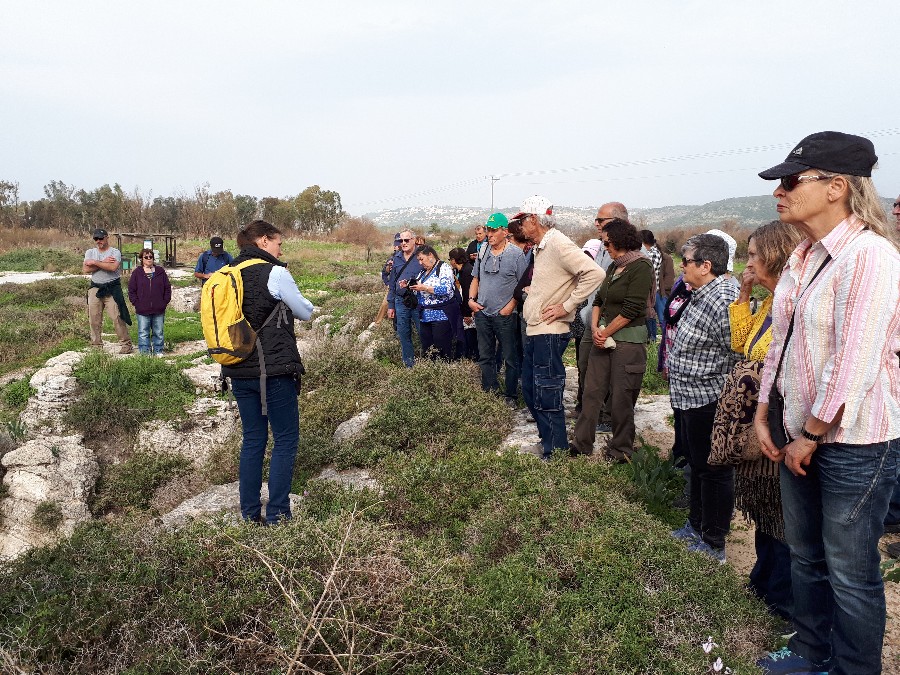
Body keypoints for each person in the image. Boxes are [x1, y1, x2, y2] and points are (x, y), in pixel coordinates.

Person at [752, 131, 900, 675]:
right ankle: (811, 653)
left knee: (850, 571)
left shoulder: (870, 257)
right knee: (806, 557)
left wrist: (810, 436)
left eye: (793, 180)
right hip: (799, 435)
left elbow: (853, 362)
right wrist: (766, 413)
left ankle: (854, 669)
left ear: (837, 187)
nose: (779, 192)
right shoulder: (804, 256)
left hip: (855, 444)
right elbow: (782, 344)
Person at [718, 221, 801, 622]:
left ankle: (782, 600)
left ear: (774, 255)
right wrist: (746, 293)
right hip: (759, 418)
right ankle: (761, 582)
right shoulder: (770, 301)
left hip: (782, 421)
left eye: (752, 255)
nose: (746, 262)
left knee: (781, 512)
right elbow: (741, 342)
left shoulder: (794, 302)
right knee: (765, 508)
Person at [221, 219, 313, 526]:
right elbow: (305, 311)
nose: (280, 248)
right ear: (262, 241)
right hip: (273, 370)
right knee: (286, 439)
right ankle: (277, 516)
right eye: (278, 242)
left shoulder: (225, 275)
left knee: (252, 440)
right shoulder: (274, 272)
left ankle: (249, 515)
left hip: (238, 370)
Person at [668, 234, 739, 564]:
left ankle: (713, 542)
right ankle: (695, 526)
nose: (681, 267)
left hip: (708, 399)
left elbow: (737, 352)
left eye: (686, 261)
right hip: (690, 398)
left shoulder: (723, 299)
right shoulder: (701, 292)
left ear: (705, 266)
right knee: (699, 467)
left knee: (713, 470)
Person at [517, 195, 605, 460]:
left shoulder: (557, 242)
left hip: (549, 332)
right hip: (536, 329)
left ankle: (555, 452)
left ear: (534, 220)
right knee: (532, 389)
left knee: (546, 391)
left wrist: (567, 306)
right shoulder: (541, 246)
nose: (519, 226)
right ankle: (548, 442)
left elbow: (595, 273)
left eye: (522, 220)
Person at [571, 220, 654, 461]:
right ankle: (581, 443)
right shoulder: (613, 267)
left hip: (627, 344)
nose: (604, 246)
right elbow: (598, 300)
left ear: (619, 241)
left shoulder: (641, 267)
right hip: (602, 338)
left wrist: (604, 333)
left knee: (621, 399)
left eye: (606, 242)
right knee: (591, 393)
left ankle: (621, 450)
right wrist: (596, 328)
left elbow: (632, 309)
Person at [468, 213, 527, 405]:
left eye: (493, 230)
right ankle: (490, 392)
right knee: (485, 356)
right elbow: (475, 277)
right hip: (483, 312)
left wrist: (510, 308)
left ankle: (510, 395)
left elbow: (523, 285)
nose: (489, 234)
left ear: (505, 232)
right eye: (488, 230)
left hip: (505, 316)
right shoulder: (483, 249)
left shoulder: (516, 254)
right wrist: (471, 300)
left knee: (510, 357)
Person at [82, 228, 133, 354]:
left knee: (117, 316)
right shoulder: (90, 252)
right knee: (94, 318)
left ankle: (126, 344)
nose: (98, 241)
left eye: (100, 238)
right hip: (95, 287)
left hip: (112, 287)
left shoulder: (115, 252)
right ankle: (96, 345)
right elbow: (85, 269)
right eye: (96, 239)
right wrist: (102, 262)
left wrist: (94, 263)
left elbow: (112, 267)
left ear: (106, 237)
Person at [409, 246, 462, 360]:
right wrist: (410, 286)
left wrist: (425, 288)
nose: (420, 262)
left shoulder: (443, 268)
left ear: (430, 255)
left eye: (421, 259)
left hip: (441, 316)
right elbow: (419, 290)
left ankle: (443, 375)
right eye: (418, 260)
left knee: (442, 351)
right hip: (425, 317)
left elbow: (446, 289)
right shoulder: (423, 272)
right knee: (428, 351)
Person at [386, 230, 424, 368]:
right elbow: (391, 284)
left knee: (423, 332)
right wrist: (390, 305)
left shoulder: (421, 255)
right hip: (400, 301)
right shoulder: (396, 258)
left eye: (407, 240)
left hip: (418, 300)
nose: (403, 243)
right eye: (401, 241)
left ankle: (427, 362)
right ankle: (409, 365)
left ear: (414, 240)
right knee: (403, 333)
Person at [127, 247, 172, 356]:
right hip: (142, 309)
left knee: (158, 332)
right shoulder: (137, 273)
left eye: (150, 257)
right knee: (143, 333)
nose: (148, 259)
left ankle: (158, 351)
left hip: (158, 308)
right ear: (141, 259)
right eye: (146, 257)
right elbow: (131, 290)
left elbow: (167, 288)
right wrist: (136, 303)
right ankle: (145, 353)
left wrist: (164, 302)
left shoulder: (160, 271)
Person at [448, 247, 478, 360]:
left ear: (454, 260)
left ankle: (471, 357)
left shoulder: (467, 272)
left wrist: (467, 313)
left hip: (469, 311)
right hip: (469, 309)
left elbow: (467, 294)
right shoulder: (465, 270)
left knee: (470, 335)